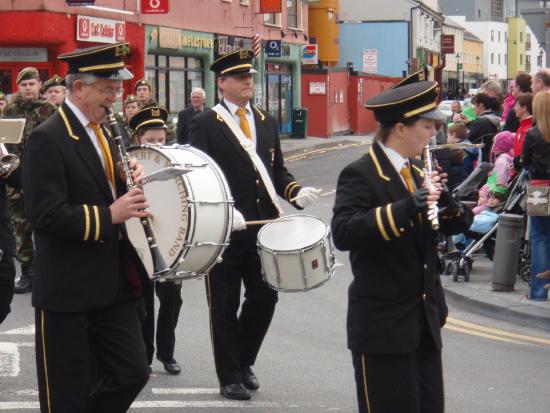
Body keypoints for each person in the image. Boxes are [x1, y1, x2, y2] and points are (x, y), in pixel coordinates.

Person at [22, 42, 151, 412]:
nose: (115, 98)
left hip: (112, 283)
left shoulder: (106, 131)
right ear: (79, 88)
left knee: (132, 371)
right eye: (108, 90)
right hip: (68, 288)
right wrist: (109, 214)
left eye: (117, 90)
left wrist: (129, 182)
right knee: (66, 394)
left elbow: (106, 187)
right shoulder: (47, 138)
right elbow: (45, 216)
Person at [331, 80, 473, 413]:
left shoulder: (419, 170)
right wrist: (408, 206)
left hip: (423, 322)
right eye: (427, 126)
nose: (433, 133)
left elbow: (456, 224)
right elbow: (344, 232)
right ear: (400, 128)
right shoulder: (361, 174)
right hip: (383, 326)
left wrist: (447, 202)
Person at [188, 49, 319, 401]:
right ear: (222, 83)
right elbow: (195, 178)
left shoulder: (264, 119)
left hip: (264, 228)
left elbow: (275, 172)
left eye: (250, 76)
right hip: (225, 230)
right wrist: (220, 211)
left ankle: (244, 360)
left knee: (265, 296)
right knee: (224, 302)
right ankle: (228, 374)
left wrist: (295, 191)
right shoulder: (204, 124)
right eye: (240, 77)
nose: (248, 81)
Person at [129, 106, 183, 375]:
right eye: (151, 141)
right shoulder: (128, 162)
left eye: (161, 140)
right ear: (139, 139)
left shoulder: (174, 161)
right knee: (143, 302)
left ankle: (166, 351)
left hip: (168, 237)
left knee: (172, 298)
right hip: (138, 240)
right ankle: (145, 355)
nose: (157, 145)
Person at [2, 67, 57, 294]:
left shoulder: (50, 110)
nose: (27, 88)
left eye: (31, 84)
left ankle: (49, 273)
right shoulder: (10, 110)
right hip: (16, 178)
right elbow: (4, 144)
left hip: (43, 178)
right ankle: (28, 273)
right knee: (21, 229)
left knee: (47, 226)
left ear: (39, 86)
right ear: (18, 87)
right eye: (23, 85)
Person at [521, 91, 550, 301]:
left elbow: (524, 161)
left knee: (540, 238)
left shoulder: (532, 134)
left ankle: (538, 291)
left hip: (538, 189)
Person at [465, 92, 500, 162]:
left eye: (474, 105)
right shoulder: (493, 118)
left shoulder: (481, 122)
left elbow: (466, 140)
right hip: (488, 159)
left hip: (479, 160)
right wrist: (468, 123)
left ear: (480, 105)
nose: (473, 108)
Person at [512, 93, 533, 168]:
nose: (514, 108)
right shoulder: (521, 127)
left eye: (516, 105)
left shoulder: (530, 129)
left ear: (524, 108)